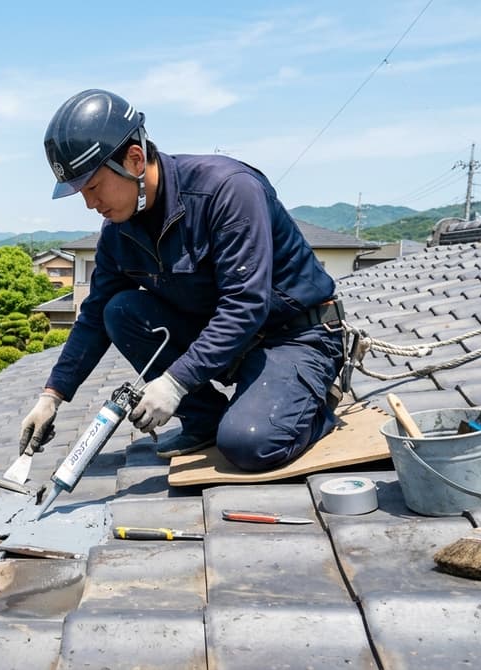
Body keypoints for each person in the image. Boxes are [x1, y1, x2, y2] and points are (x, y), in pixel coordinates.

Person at [19, 89, 345, 472]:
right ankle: (204, 419)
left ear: (134, 159)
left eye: (93, 186)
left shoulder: (226, 190)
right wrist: (52, 395)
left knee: (249, 444)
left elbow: (245, 306)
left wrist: (174, 382)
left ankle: (310, 405)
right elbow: (92, 319)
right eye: (80, 193)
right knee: (120, 310)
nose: (90, 204)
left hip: (296, 338)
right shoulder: (118, 233)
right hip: (231, 346)